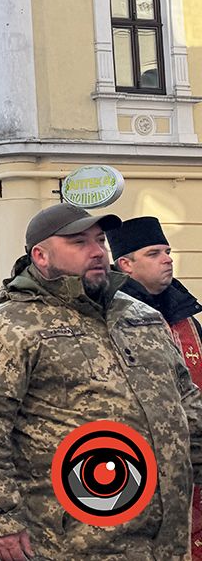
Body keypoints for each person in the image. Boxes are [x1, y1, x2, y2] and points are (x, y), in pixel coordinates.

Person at [0, 204, 202, 560]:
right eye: (79, 242)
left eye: (100, 240)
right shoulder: (6, 328)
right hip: (76, 535)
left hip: (167, 533)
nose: (97, 251)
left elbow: (185, 400)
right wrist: (0, 518)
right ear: (41, 255)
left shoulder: (140, 316)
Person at [108, 216, 202, 559]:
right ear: (126, 264)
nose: (167, 259)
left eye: (167, 251)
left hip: (194, 461)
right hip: (140, 469)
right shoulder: (108, 315)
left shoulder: (186, 314)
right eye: (153, 253)